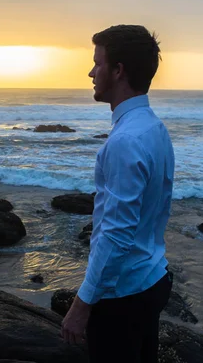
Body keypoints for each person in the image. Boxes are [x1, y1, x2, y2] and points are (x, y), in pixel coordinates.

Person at [61, 24, 175, 363]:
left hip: (122, 296)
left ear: (118, 70)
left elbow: (116, 233)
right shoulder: (154, 128)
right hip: (151, 278)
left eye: (98, 63)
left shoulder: (125, 142)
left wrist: (82, 304)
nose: (91, 72)